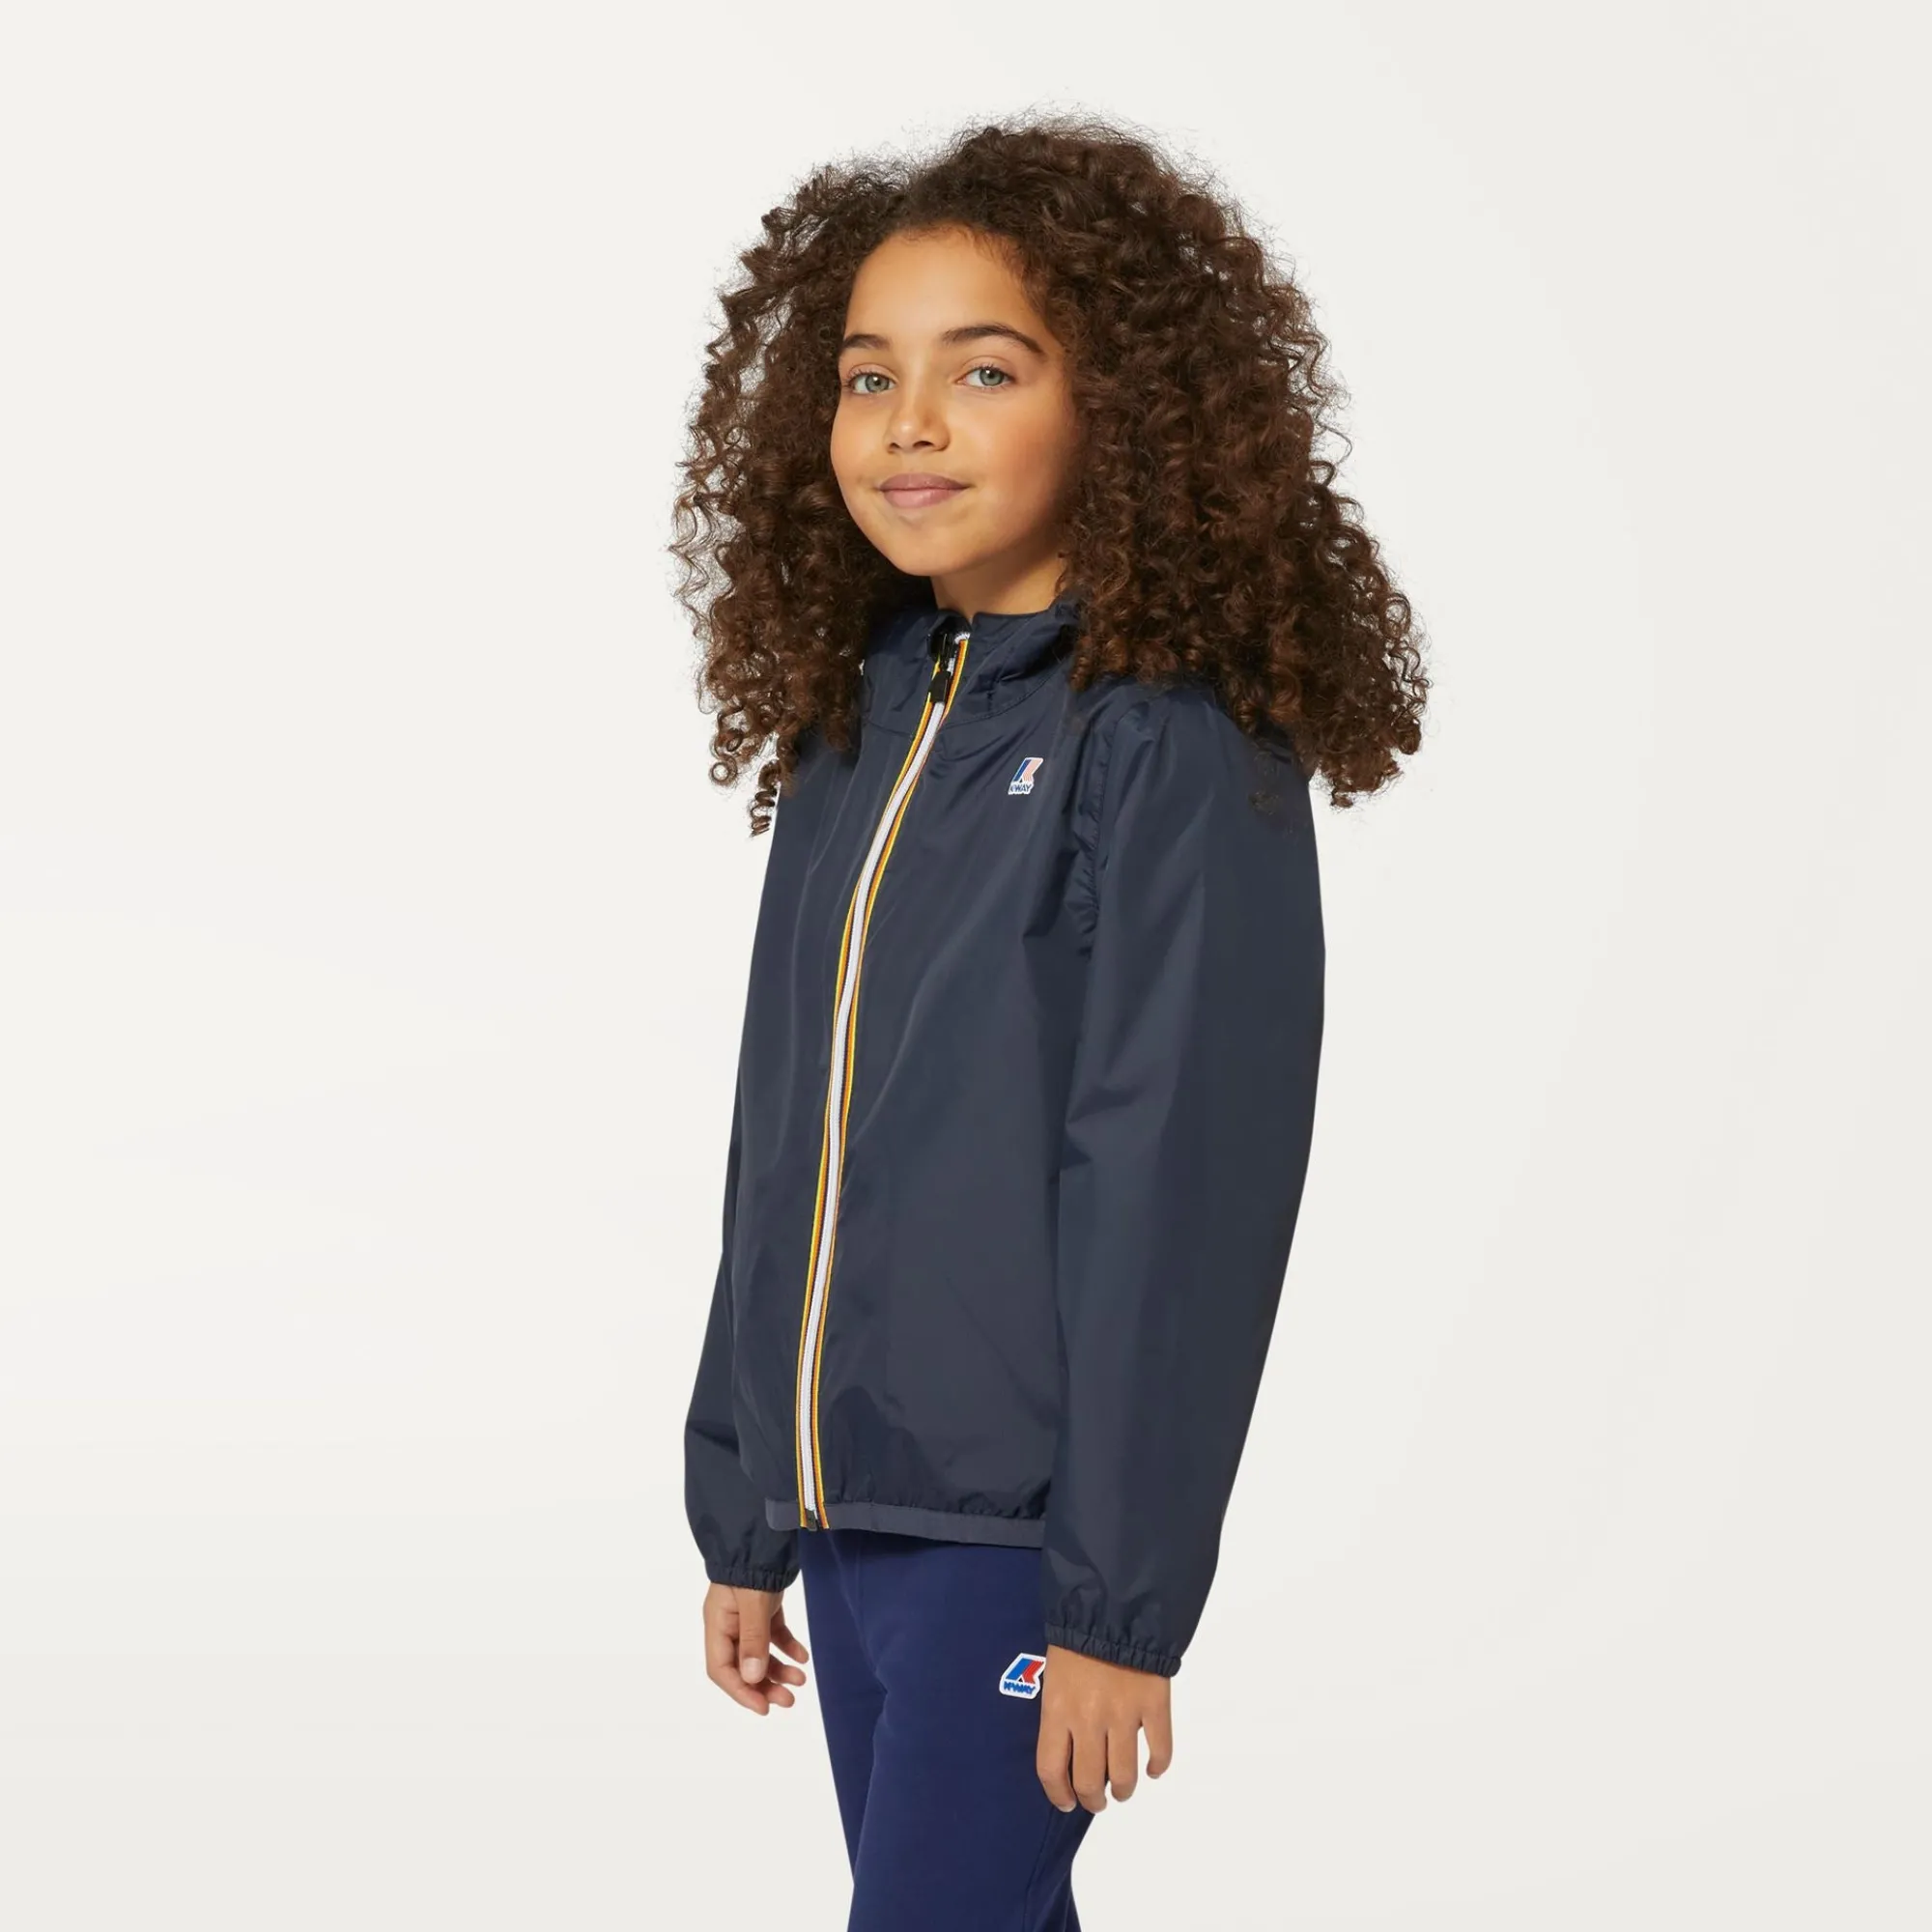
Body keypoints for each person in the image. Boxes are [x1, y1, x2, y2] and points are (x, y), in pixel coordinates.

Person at [673, 111, 1427, 1930]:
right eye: (870, 375)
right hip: (850, 1513)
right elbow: (785, 1131)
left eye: (985, 370)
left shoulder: (1166, 745)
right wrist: (745, 1501)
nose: (910, 423)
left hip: (1017, 1539)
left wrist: (1116, 1604)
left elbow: (1179, 1188)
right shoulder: (860, 718)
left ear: (1124, 412)